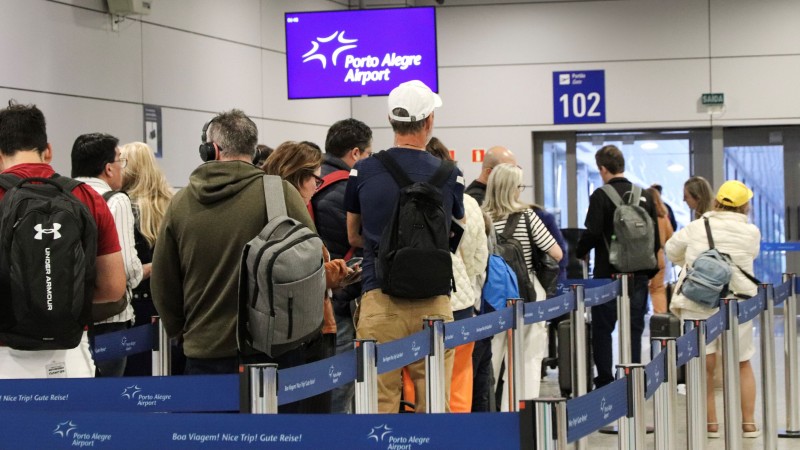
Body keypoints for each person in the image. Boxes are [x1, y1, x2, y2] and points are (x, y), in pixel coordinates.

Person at [151, 109, 315, 376]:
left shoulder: (180, 203)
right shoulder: (281, 193)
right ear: (255, 152)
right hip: (274, 350)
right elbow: (314, 258)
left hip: (205, 351)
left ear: (211, 150)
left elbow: (163, 282)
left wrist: (183, 331)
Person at [344, 80, 465, 413]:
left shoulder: (363, 170)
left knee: (378, 404)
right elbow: (455, 229)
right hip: (434, 302)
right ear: (429, 122)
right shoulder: (450, 173)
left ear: (391, 120)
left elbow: (353, 235)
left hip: (380, 297)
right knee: (434, 406)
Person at [0, 102, 126, 379]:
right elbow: (113, 288)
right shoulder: (87, 197)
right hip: (70, 357)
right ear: (48, 150)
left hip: (5, 359)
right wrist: (57, 302)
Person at [262, 140, 353, 413]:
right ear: (299, 177)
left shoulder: (271, 210)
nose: (318, 184)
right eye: (315, 178)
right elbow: (300, 273)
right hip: (306, 331)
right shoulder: (291, 217)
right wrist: (335, 273)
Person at [666, 180, 761, 438]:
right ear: (745, 206)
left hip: (698, 301)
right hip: (738, 303)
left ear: (717, 201)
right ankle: (748, 424)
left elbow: (671, 249)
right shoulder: (751, 232)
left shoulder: (697, 227)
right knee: (742, 363)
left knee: (702, 365)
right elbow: (750, 256)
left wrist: (688, 260)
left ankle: (710, 424)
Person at [403, 136, 487, 413]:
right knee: (459, 381)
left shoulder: (404, 198)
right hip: (459, 301)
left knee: (415, 381)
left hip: (413, 300)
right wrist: (467, 282)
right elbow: (478, 258)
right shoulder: (468, 203)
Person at [575, 145, 660, 388]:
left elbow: (592, 233)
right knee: (634, 327)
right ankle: (632, 376)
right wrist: (649, 271)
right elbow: (655, 239)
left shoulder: (601, 195)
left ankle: (604, 379)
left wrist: (580, 252)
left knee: (602, 328)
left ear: (602, 169)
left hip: (608, 274)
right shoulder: (645, 195)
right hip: (639, 274)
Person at [482, 163, 563, 408]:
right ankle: (518, 412)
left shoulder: (482, 217)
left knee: (492, 356)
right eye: (520, 185)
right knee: (527, 356)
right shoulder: (528, 216)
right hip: (526, 290)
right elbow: (557, 253)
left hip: (493, 293)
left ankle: (489, 411)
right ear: (511, 188)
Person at [71, 133, 147, 377]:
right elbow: (126, 270)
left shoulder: (65, 196)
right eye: (120, 162)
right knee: (109, 397)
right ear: (108, 169)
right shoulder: (116, 201)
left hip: (72, 317)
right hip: (110, 319)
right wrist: (150, 268)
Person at [311, 118, 373, 414]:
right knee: (339, 384)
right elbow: (356, 240)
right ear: (356, 153)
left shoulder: (311, 180)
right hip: (339, 300)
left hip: (309, 296)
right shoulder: (348, 189)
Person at [465, 145, 517, 412]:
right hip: (479, 303)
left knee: (486, 374)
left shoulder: (473, 203)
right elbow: (477, 258)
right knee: (481, 375)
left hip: (484, 301)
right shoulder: (472, 203)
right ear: (489, 171)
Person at [118, 142, 174, 376]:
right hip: (170, 307)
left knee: (137, 379)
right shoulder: (173, 205)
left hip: (135, 306)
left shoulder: (122, 208)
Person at [647, 187, 675, 314]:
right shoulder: (663, 218)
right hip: (659, 256)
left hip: (642, 257)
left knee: (639, 293)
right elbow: (671, 237)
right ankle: (660, 322)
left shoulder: (642, 217)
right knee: (658, 290)